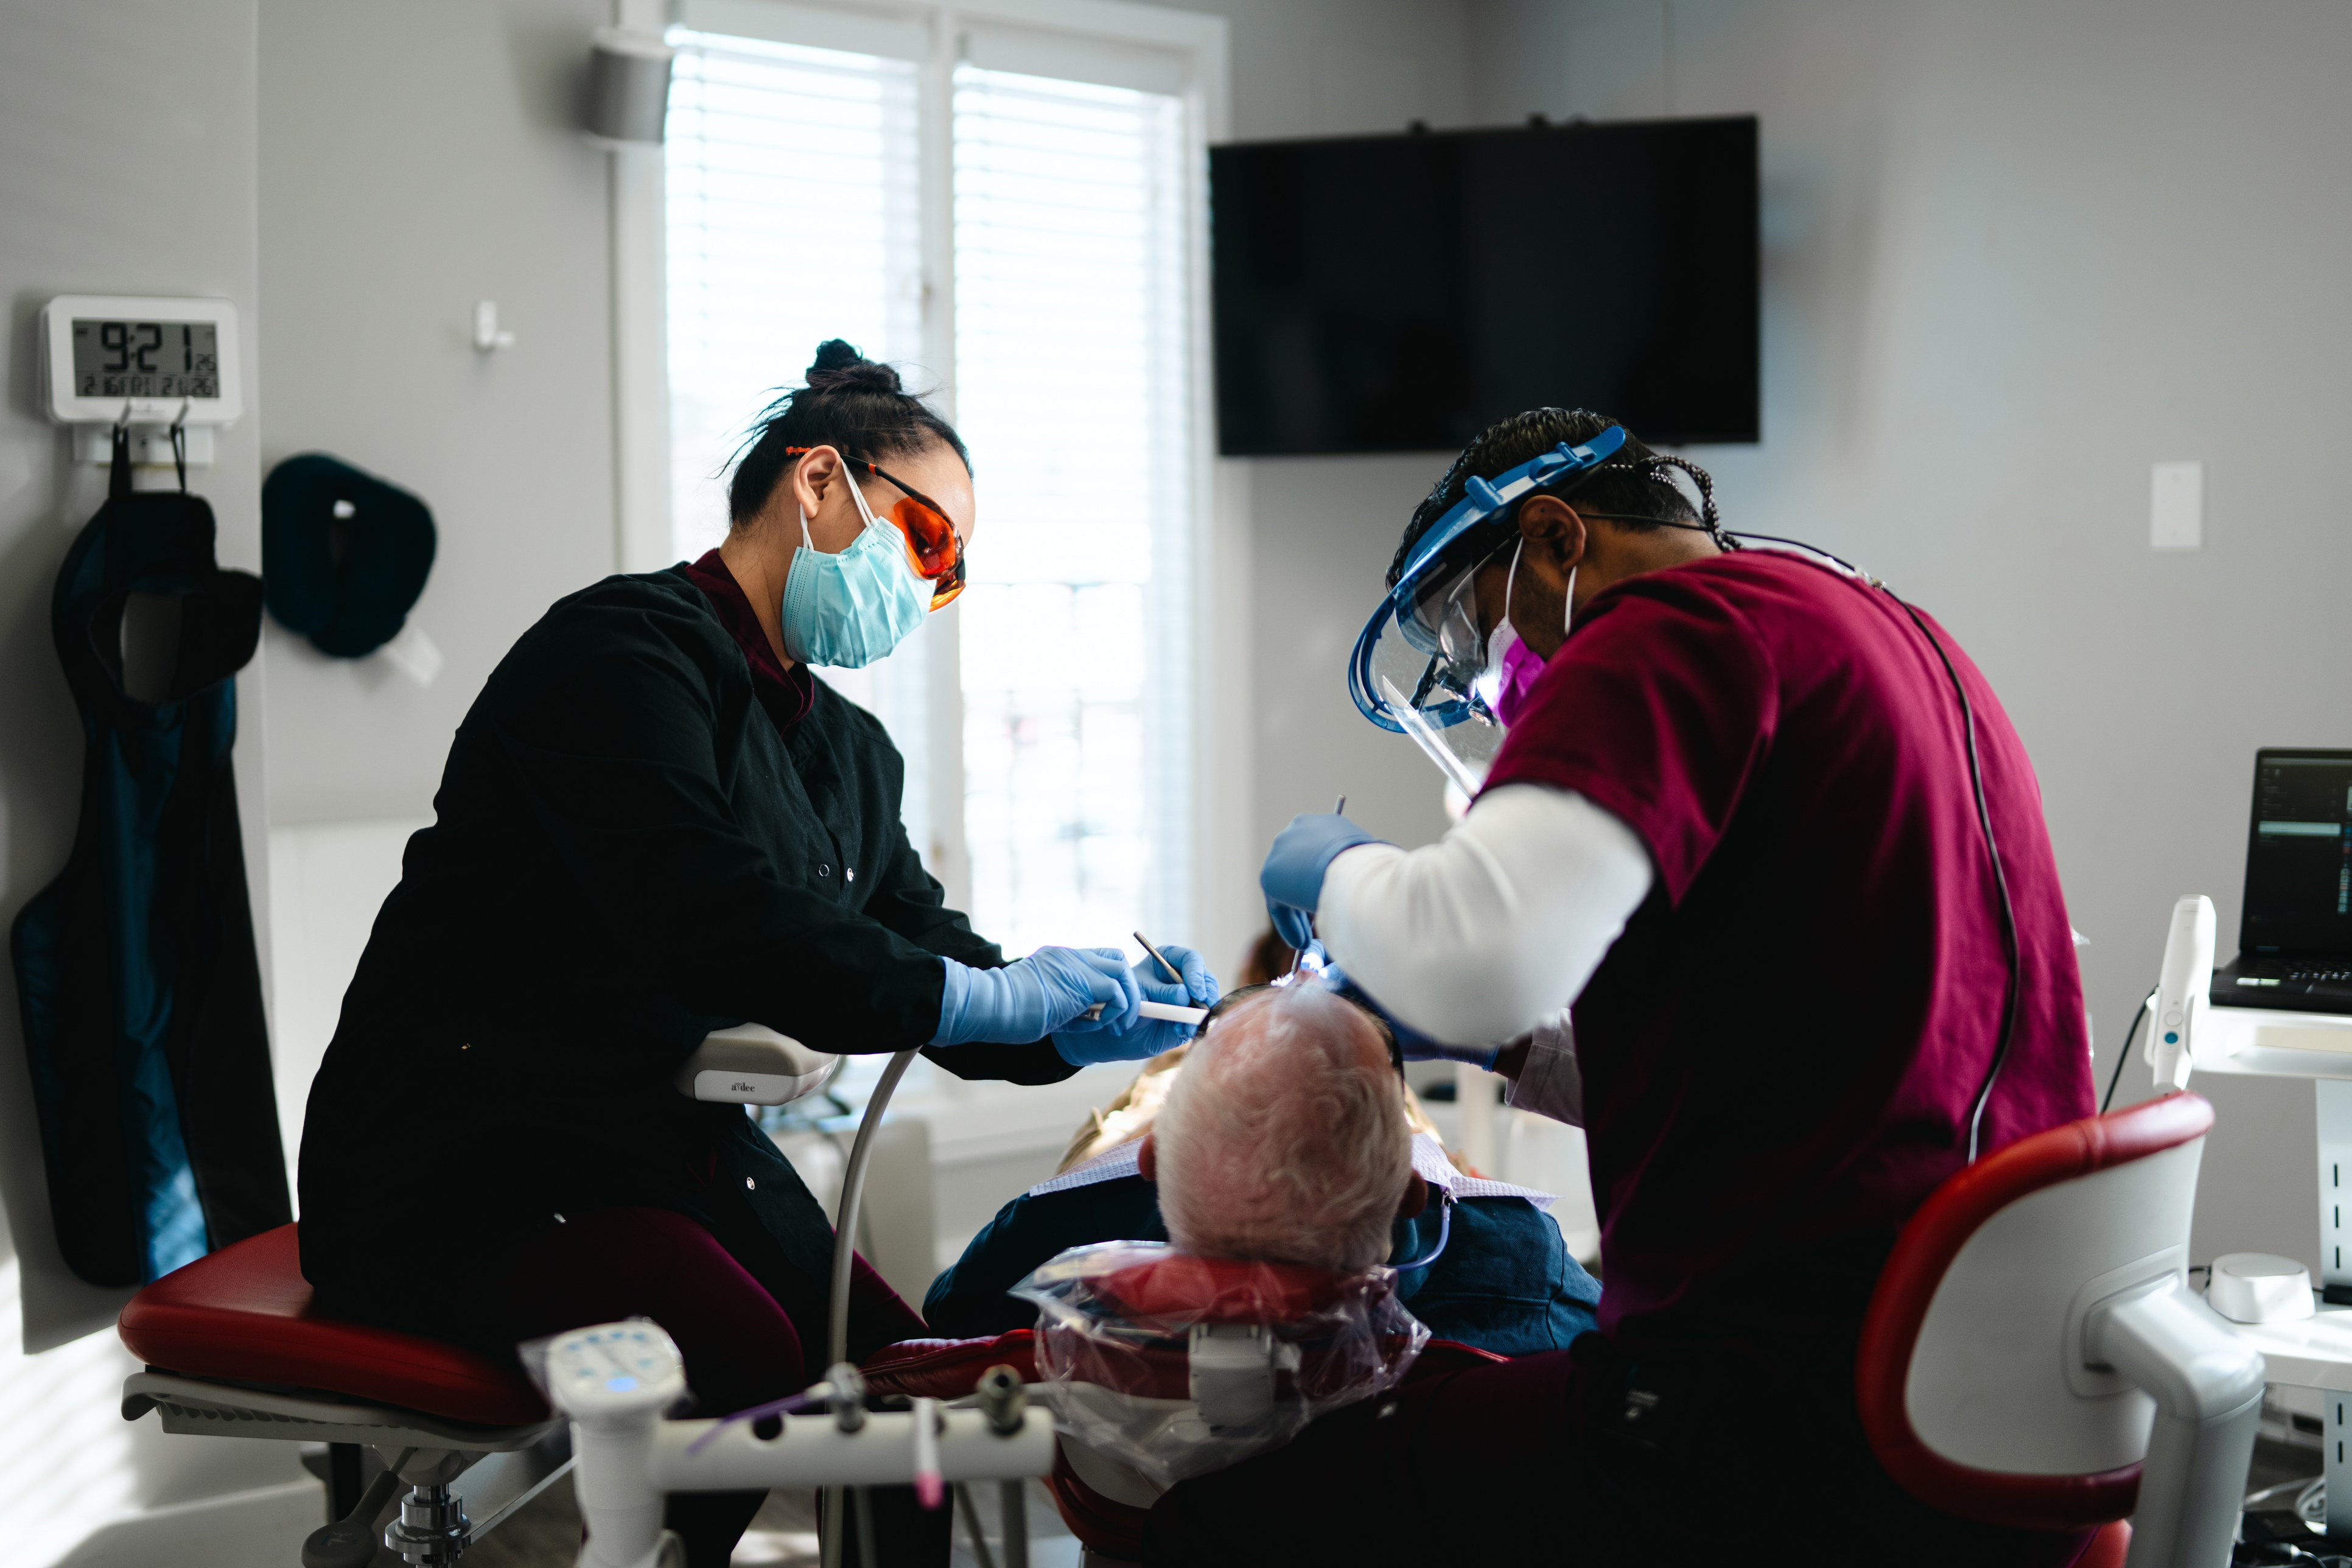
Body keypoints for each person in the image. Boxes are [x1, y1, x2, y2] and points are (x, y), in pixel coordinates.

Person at [295, 341, 1216, 1568]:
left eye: (953, 575)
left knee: (911, 1391)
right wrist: (984, 996)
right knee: (753, 1362)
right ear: (822, 485)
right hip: (473, 1162)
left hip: (660, 1153)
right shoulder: (617, 658)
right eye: (929, 542)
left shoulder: (846, 752)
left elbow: (917, 944)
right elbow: (723, 921)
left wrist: (1075, 1017)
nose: (934, 587)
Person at [1163, 408, 2096, 1566]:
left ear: (1555, 537)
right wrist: (1508, 1050)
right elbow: (1796, 1060)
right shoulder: (1885, 632)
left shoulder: (1668, 628)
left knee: (1230, 1485)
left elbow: (1474, 956)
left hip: (1777, 1432)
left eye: (1478, 623)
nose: (1490, 676)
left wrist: (1336, 868)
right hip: (1983, 1403)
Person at [925, 984, 1600, 1356]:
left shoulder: (1072, 1228)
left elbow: (950, 1323)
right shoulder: (1513, 1252)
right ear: (1410, 1187)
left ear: (1153, 1155)